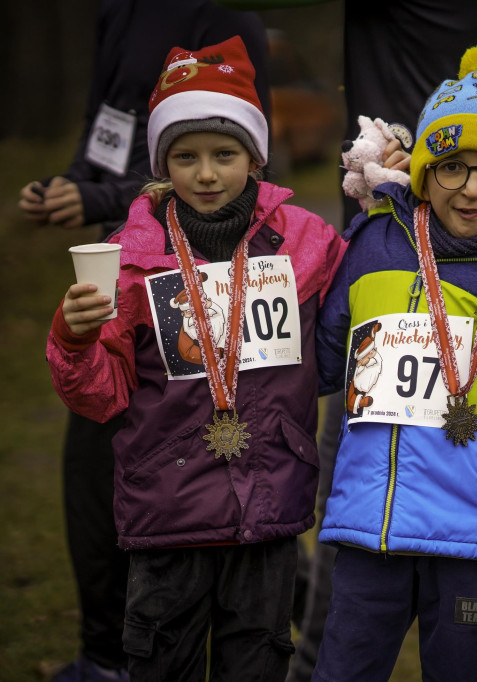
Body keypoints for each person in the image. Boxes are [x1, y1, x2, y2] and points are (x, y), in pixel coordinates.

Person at [45, 35, 345, 681]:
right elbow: (100, 394)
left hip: (267, 506)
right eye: (185, 157)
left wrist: (392, 201)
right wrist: (74, 340)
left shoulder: (308, 243)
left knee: (257, 661)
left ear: (256, 157)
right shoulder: (131, 255)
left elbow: (355, 317)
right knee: (164, 663)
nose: (206, 174)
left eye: (225, 154)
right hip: (167, 510)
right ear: (162, 165)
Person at [313, 46, 477, 681]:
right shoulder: (372, 246)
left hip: (474, 546)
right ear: (423, 173)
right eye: (452, 167)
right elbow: (318, 366)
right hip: (367, 534)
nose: (471, 188)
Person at [20, 4, 270, 681]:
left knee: (215, 464)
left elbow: (227, 159)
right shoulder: (118, 10)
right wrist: (76, 183)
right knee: (93, 463)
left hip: (205, 261)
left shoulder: (226, 17)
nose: (209, 166)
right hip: (126, 248)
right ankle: (106, 655)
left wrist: (101, 193)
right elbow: (109, 119)